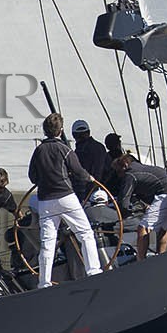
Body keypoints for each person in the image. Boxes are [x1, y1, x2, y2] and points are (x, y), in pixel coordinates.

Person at [27, 113, 103, 287]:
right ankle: (94, 272)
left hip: (45, 200)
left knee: (48, 242)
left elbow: (32, 177)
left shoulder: (38, 151)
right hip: (66, 197)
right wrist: (90, 178)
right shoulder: (64, 149)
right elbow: (78, 171)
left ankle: (44, 282)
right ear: (61, 131)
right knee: (85, 234)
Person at [113, 153, 167, 259]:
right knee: (163, 229)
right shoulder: (146, 169)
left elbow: (124, 201)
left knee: (143, 227)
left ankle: (141, 261)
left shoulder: (130, 174)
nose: (118, 175)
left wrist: (125, 215)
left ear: (124, 165)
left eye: (118, 171)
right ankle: (160, 257)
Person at [70, 119, 111, 199]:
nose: (80, 137)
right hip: (97, 189)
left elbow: (97, 172)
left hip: (89, 190)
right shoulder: (99, 147)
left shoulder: (83, 150)